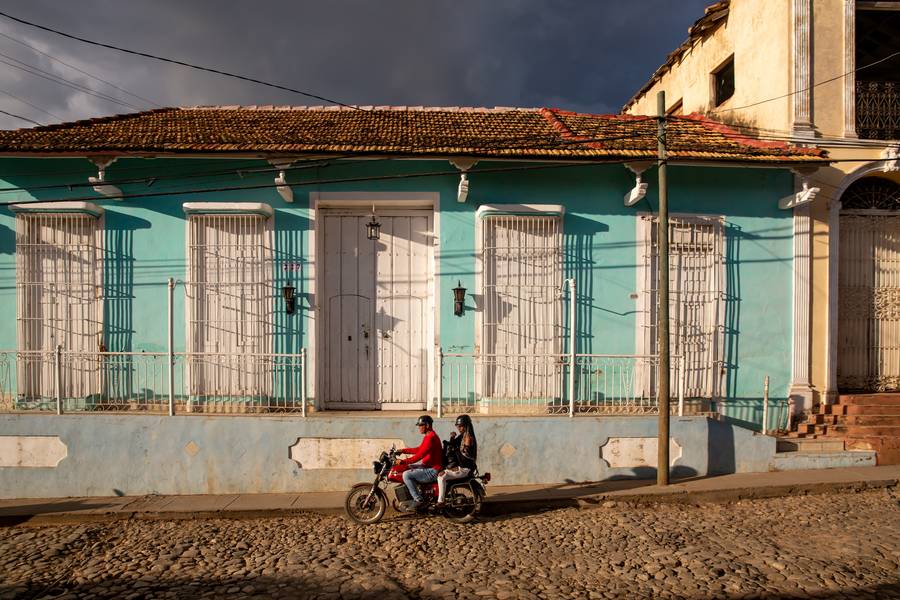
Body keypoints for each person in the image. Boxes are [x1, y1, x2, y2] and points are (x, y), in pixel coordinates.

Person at [398, 414, 443, 509]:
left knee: (406, 474)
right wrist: (403, 450)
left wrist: (403, 462)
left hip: (433, 470)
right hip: (427, 466)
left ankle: (418, 499)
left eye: (420, 425)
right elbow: (419, 449)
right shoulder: (429, 436)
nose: (419, 428)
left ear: (427, 425)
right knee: (407, 468)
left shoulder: (431, 437)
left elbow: (419, 455)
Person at [436, 414, 477, 508]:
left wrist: (455, 450)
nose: (459, 428)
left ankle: (441, 501)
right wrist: (452, 438)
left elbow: (464, 456)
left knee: (441, 476)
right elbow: (452, 444)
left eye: (461, 426)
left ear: (466, 426)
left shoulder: (468, 438)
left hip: (465, 468)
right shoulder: (463, 436)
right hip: (462, 466)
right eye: (458, 426)